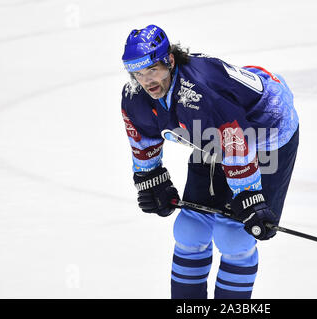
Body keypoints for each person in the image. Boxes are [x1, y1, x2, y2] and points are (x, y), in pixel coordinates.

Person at [120, 24, 299, 299]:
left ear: (169, 61)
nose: (146, 81)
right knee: (190, 230)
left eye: (152, 70)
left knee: (235, 236)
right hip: (212, 132)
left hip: (267, 131)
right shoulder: (136, 96)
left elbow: (236, 140)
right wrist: (150, 178)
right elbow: (143, 136)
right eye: (139, 73)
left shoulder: (201, 93)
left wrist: (249, 195)